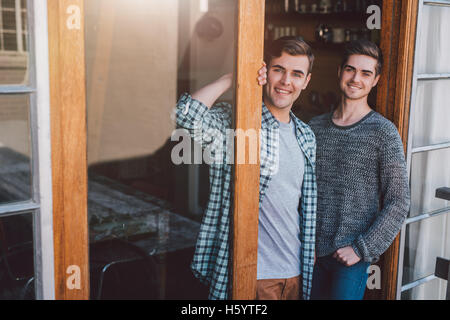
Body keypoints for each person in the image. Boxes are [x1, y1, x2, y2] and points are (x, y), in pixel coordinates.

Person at [175, 36, 317, 300]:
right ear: (265, 72)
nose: (286, 81)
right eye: (278, 70)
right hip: (253, 275)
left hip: (296, 272)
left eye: (297, 74)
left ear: (306, 82)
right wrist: (235, 76)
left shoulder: (306, 135)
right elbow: (185, 114)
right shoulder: (238, 122)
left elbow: (301, 207)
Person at [307, 40, 410, 300]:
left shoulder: (383, 133)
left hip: (350, 260)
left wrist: (361, 248)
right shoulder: (314, 127)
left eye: (366, 73)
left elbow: (399, 202)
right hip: (310, 254)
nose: (356, 78)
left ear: (375, 80)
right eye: (350, 69)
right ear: (340, 72)